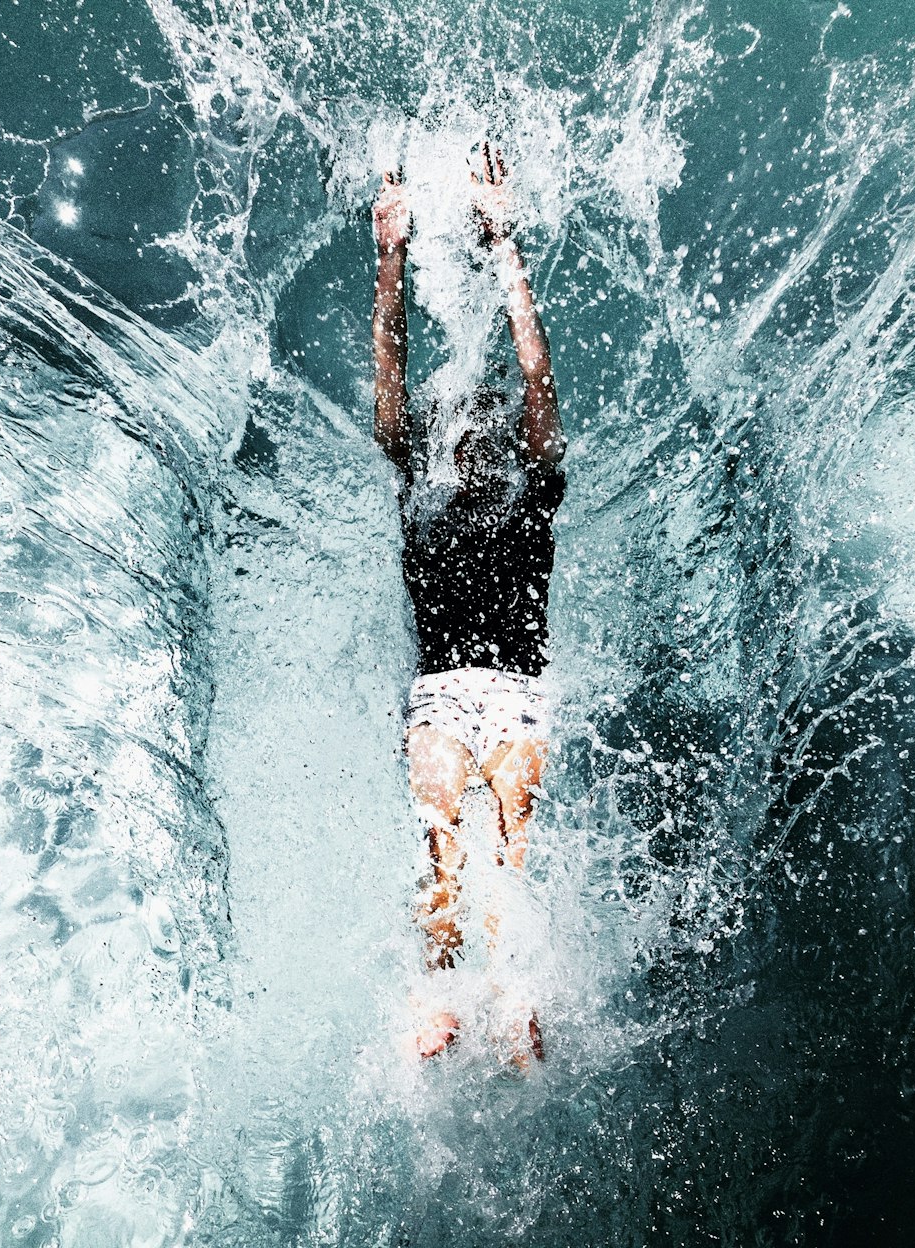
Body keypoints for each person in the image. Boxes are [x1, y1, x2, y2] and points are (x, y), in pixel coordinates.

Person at [371, 142, 566, 1063]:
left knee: (513, 841)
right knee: (443, 836)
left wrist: (505, 244)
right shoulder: (421, 494)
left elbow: (536, 375)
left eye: (495, 423)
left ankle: (515, 997)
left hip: (522, 693)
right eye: (466, 424)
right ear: (448, 444)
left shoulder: (539, 490)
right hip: (444, 695)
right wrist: (391, 260)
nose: (480, 429)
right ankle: (438, 997)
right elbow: (391, 393)